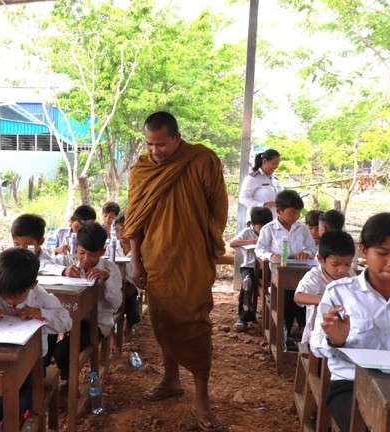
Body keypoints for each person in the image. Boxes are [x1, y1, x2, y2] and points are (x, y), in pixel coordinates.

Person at [124, 111, 228, 430]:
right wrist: (136, 260)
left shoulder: (202, 161)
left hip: (192, 261)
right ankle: (171, 379)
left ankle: (202, 396)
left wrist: (204, 239)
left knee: (195, 324)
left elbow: (218, 208)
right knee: (163, 320)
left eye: (161, 144)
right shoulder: (142, 170)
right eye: (149, 144)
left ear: (177, 138)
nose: (155, 151)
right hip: (156, 260)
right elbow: (135, 220)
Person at [310, 212, 390, 432]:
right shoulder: (340, 292)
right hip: (350, 383)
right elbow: (315, 345)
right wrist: (335, 340)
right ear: (363, 250)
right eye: (383, 253)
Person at [0, 248, 71, 432]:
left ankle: (10, 425)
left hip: (33, 365)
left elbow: (66, 322)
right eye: (4, 295)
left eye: (16, 297)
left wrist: (40, 313)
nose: (10, 302)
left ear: (32, 285)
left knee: (22, 401)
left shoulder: (39, 296)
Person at [53, 221, 123, 381]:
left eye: (92, 255)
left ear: (102, 252)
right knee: (46, 340)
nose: (85, 259)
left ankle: (69, 382)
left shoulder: (110, 269)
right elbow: (42, 265)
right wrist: (63, 271)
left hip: (97, 323)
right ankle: (45, 381)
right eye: (82, 253)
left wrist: (107, 280)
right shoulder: (69, 262)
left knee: (62, 352)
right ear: (76, 248)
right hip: (69, 319)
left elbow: (116, 304)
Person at [256, 190, 316, 348]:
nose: (296, 216)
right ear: (279, 211)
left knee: (307, 292)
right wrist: (271, 255)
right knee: (288, 296)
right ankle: (286, 333)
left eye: (298, 213)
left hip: (300, 272)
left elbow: (312, 248)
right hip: (278, 273)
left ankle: (303, 331)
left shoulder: (302, 228)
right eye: (292, 212)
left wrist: (306, 253)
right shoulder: (269, 229)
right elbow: (259, 250)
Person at [294, 230, 356, 345]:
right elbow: (298, 297)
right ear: (321, 260)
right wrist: (327, 300)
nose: (342, 270)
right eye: (335, 264)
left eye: (347, 264)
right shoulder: (315, 276)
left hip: (345, 333)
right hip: (316, 336)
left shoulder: (350, 275)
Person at [230, 206, 273, 332]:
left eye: (265, 226)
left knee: (278, 283)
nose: (263, 229)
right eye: (260, 226)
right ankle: (243, 318)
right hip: (248, 267)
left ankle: (275, 318)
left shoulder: (271, 232)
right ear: (253, 224)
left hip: (267, 268)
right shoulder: (247, 232)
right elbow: (232, 243)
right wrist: (252, 242)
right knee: (247, 282)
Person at [113, 212, 141, 333]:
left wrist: (135, 287)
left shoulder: (138, 249)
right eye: (118, 230)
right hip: (115, 283)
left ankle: (129, 324)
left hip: (131, 285)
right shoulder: (112, 247)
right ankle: (114, 329)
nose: (120, 233)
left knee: (131, 303)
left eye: (124, 230)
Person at [239, 148, 283, 216]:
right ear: (264, 161)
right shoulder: (253, 178)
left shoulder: (275, 179)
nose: (276, 167)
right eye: (274, 163)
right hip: (258, 218)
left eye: (278, 164)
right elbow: (243, 199)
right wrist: (263, 205)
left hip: (274, 218)